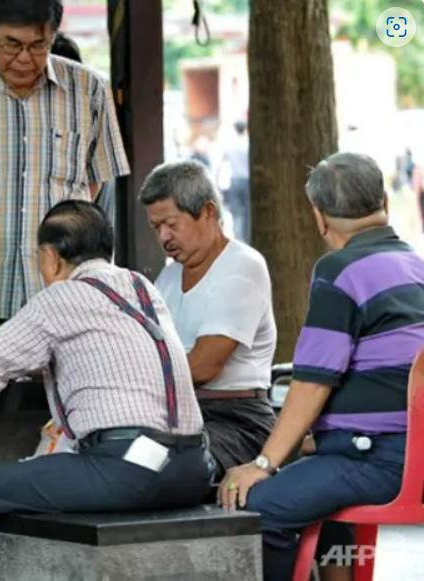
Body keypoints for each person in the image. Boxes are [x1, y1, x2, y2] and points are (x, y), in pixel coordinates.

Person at [0, 200, 212, 581]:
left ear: (50, 257)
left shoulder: (61, 297)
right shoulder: (142, 288)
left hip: (128, 467)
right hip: (193, 466)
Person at [220, 153, 420, 581]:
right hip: (405, 454)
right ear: (383, 199)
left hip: (380, 462)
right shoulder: (415, 265)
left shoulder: (339, 270)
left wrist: (262, 464)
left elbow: (312, 382)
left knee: (258, 508)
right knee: (319, 492)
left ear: (319, 218)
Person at [0, 0, 130, 322]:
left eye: (38, 45)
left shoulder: (89, 91)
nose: (24, 58)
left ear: (53, 35)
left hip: (63, 292)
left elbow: (94, 183)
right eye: (12, 44)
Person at [140, 160, 277, 481]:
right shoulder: (169, 276)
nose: (164, 237)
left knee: (164, 472)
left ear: (207, 212)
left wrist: (134, 378)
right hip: (175, 416)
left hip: (236, 421)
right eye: (156, 227)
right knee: (120, 462)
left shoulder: (241, 266)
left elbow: (203, 367)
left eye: (172, 224)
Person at [219, 120, 251, 242]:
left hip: (235, 179)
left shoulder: (230, 145)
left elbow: (222, 163)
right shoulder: (248, 143)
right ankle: (247, 237)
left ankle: (238, 239)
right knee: (248, 212)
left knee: (236, 212)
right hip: (247, 180)